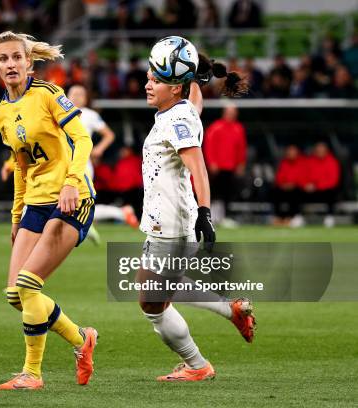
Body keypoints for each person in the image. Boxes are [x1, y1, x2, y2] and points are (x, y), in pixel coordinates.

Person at [138, 39, 256, 382]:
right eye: (148, 76)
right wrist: (195, 78)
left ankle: (196, 365)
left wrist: (207, 213)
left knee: (152, 306)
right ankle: (231, 310)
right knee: (160, 289)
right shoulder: (184, 108)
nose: (147, 84)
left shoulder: (176, 121)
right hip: (168, 222)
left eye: (156, 81)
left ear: (174, 88)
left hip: (171, 226)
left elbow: (199, 168)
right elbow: (196, 100)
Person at [0, 31, 98, 390]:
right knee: (14, 295)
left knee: (27, 284)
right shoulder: (2, 113)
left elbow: (83, 139)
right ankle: (82, 340)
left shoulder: (50, 94)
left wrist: (71, 181)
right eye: (3, 59)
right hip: (35, 204)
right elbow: (21, 167)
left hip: (73, 198)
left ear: (28, 62)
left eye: (16, 58)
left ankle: (32, 374)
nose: (10, 64)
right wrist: (16, 215)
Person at [66, 83, 117, 242]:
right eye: (73, 93)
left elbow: (109, 135)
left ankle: (87, 225)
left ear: (86, 98)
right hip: (63, 163)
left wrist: (99, 149)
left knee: (82, 199)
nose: (76, 96)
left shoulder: (89, 115)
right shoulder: (59, 112)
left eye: (80, 94)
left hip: (82, 164)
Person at [203, 103, 247, 226]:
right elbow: (209, 146)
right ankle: (212, 216)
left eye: (234, 113)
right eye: (230, 112)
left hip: (231, 166)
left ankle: (225, 216)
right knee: (216, 192)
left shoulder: (239, 128)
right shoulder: (216, 127)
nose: (232, 115)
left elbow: (241, 148)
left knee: (229, 193)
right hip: (218, 166)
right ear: (224, 113)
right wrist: (212, 162)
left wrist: (241, 163)